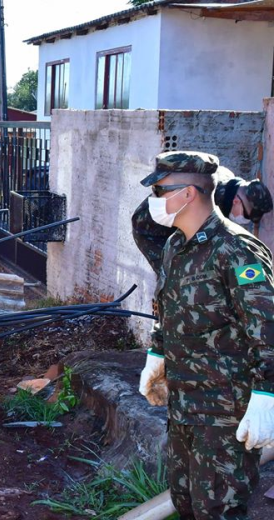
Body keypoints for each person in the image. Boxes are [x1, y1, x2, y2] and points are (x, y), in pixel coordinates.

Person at [136, 151, 274, 519]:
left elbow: (267, 327)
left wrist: (266, 394)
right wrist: (157, 353)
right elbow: (167, 309)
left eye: (161, 191)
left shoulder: (237, 249)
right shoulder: (175, 246)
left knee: (218, 511)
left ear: (188, 195)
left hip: (226, 414)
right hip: (184, 406)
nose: (155, 200)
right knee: (186, 506)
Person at [132, 166, 273, 273]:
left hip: (173, 211)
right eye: (246, 215)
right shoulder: (206, 206)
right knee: (180, 275)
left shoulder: (226, 180)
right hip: (149, 230)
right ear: (236, 201)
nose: (245, 221)